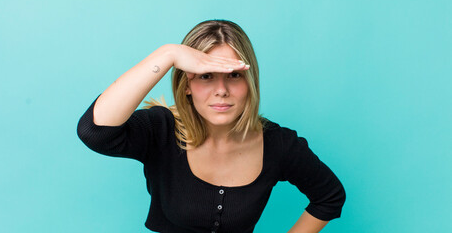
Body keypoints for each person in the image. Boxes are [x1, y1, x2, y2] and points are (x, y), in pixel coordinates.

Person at [77, 19, 346, 233]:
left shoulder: (278, 144)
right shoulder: (160, 130)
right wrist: (169, 53)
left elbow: (330, 196)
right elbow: (95, 132)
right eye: (206, 76)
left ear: (250, 83)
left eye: (234, 76)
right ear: (186, 87)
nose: (221, 90)